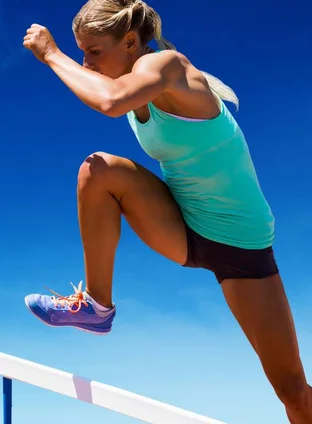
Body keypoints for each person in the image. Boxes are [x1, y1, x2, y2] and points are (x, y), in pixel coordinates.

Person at [21, 0, 311, 422]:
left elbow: (110, 102)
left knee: (294, 393)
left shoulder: (168, 67)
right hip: (182, 226)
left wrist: (52, 55)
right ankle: (97, 308)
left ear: (131, 41)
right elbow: (112, 98)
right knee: (97, 170)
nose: (87, 63)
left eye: (94, 52)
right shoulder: (131, 84)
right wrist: (73, 60)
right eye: (81, 52)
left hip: (240, 245)